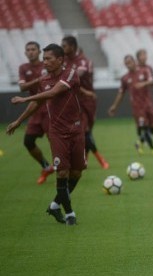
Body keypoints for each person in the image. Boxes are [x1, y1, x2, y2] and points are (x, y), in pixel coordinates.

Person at [7, 43, 86, 225]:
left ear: (60, 59)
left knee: (77, 173)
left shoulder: (70, 74)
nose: (45, 62)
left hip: (76, 130)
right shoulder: (43, 80)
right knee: (62, 172)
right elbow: (37, 103)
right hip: (57, 133)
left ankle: (54, 205)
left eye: (49, 59)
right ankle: (70, 214)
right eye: (44, 59)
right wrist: (18, 121)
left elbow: (53, 92)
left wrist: (25, 97)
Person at [61, 35, 109, 169]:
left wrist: (85, 92)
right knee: (83, 131)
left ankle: (85, 159)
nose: (62, 48)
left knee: (86, 132)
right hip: (73, 101)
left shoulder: (83, 61)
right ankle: (100, 160)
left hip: (87, 101)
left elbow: (75, 78)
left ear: (72, 47)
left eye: (64, 46)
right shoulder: (63, 61)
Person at [108, 55, 153, 156]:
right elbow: (121, 93)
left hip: (149, 104)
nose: (128, 65)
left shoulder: (145, 71)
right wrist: (114, 106)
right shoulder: (125, 78)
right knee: (144, 127)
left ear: (134, 61)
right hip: (138, 107)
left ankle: (139, 143)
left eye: (130, 62)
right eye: (126, 64)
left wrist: (144, 84)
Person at [18, 41, 54, 184]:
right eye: (28, 49)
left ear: (39, 52)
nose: (31, 51)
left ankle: (63, 171)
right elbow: (22, 88)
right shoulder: (23, 68)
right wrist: (38, 80)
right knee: (28, 141)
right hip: (35, 110)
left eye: (33, 49)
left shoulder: (47, 65)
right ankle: (46, 166)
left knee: (55, 142)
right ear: (25, 53)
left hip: (49, 109)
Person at [135, 48, 153, 152]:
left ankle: (141, 142)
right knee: (143, 124)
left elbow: (152, 82)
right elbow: (135, 85)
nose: (145, 57)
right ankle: (143, 142)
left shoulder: (149, 68)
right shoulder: (135, 70)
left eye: (145, 55)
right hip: (138, 102)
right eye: (142, 55)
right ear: (138, 57)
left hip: (148, 100)